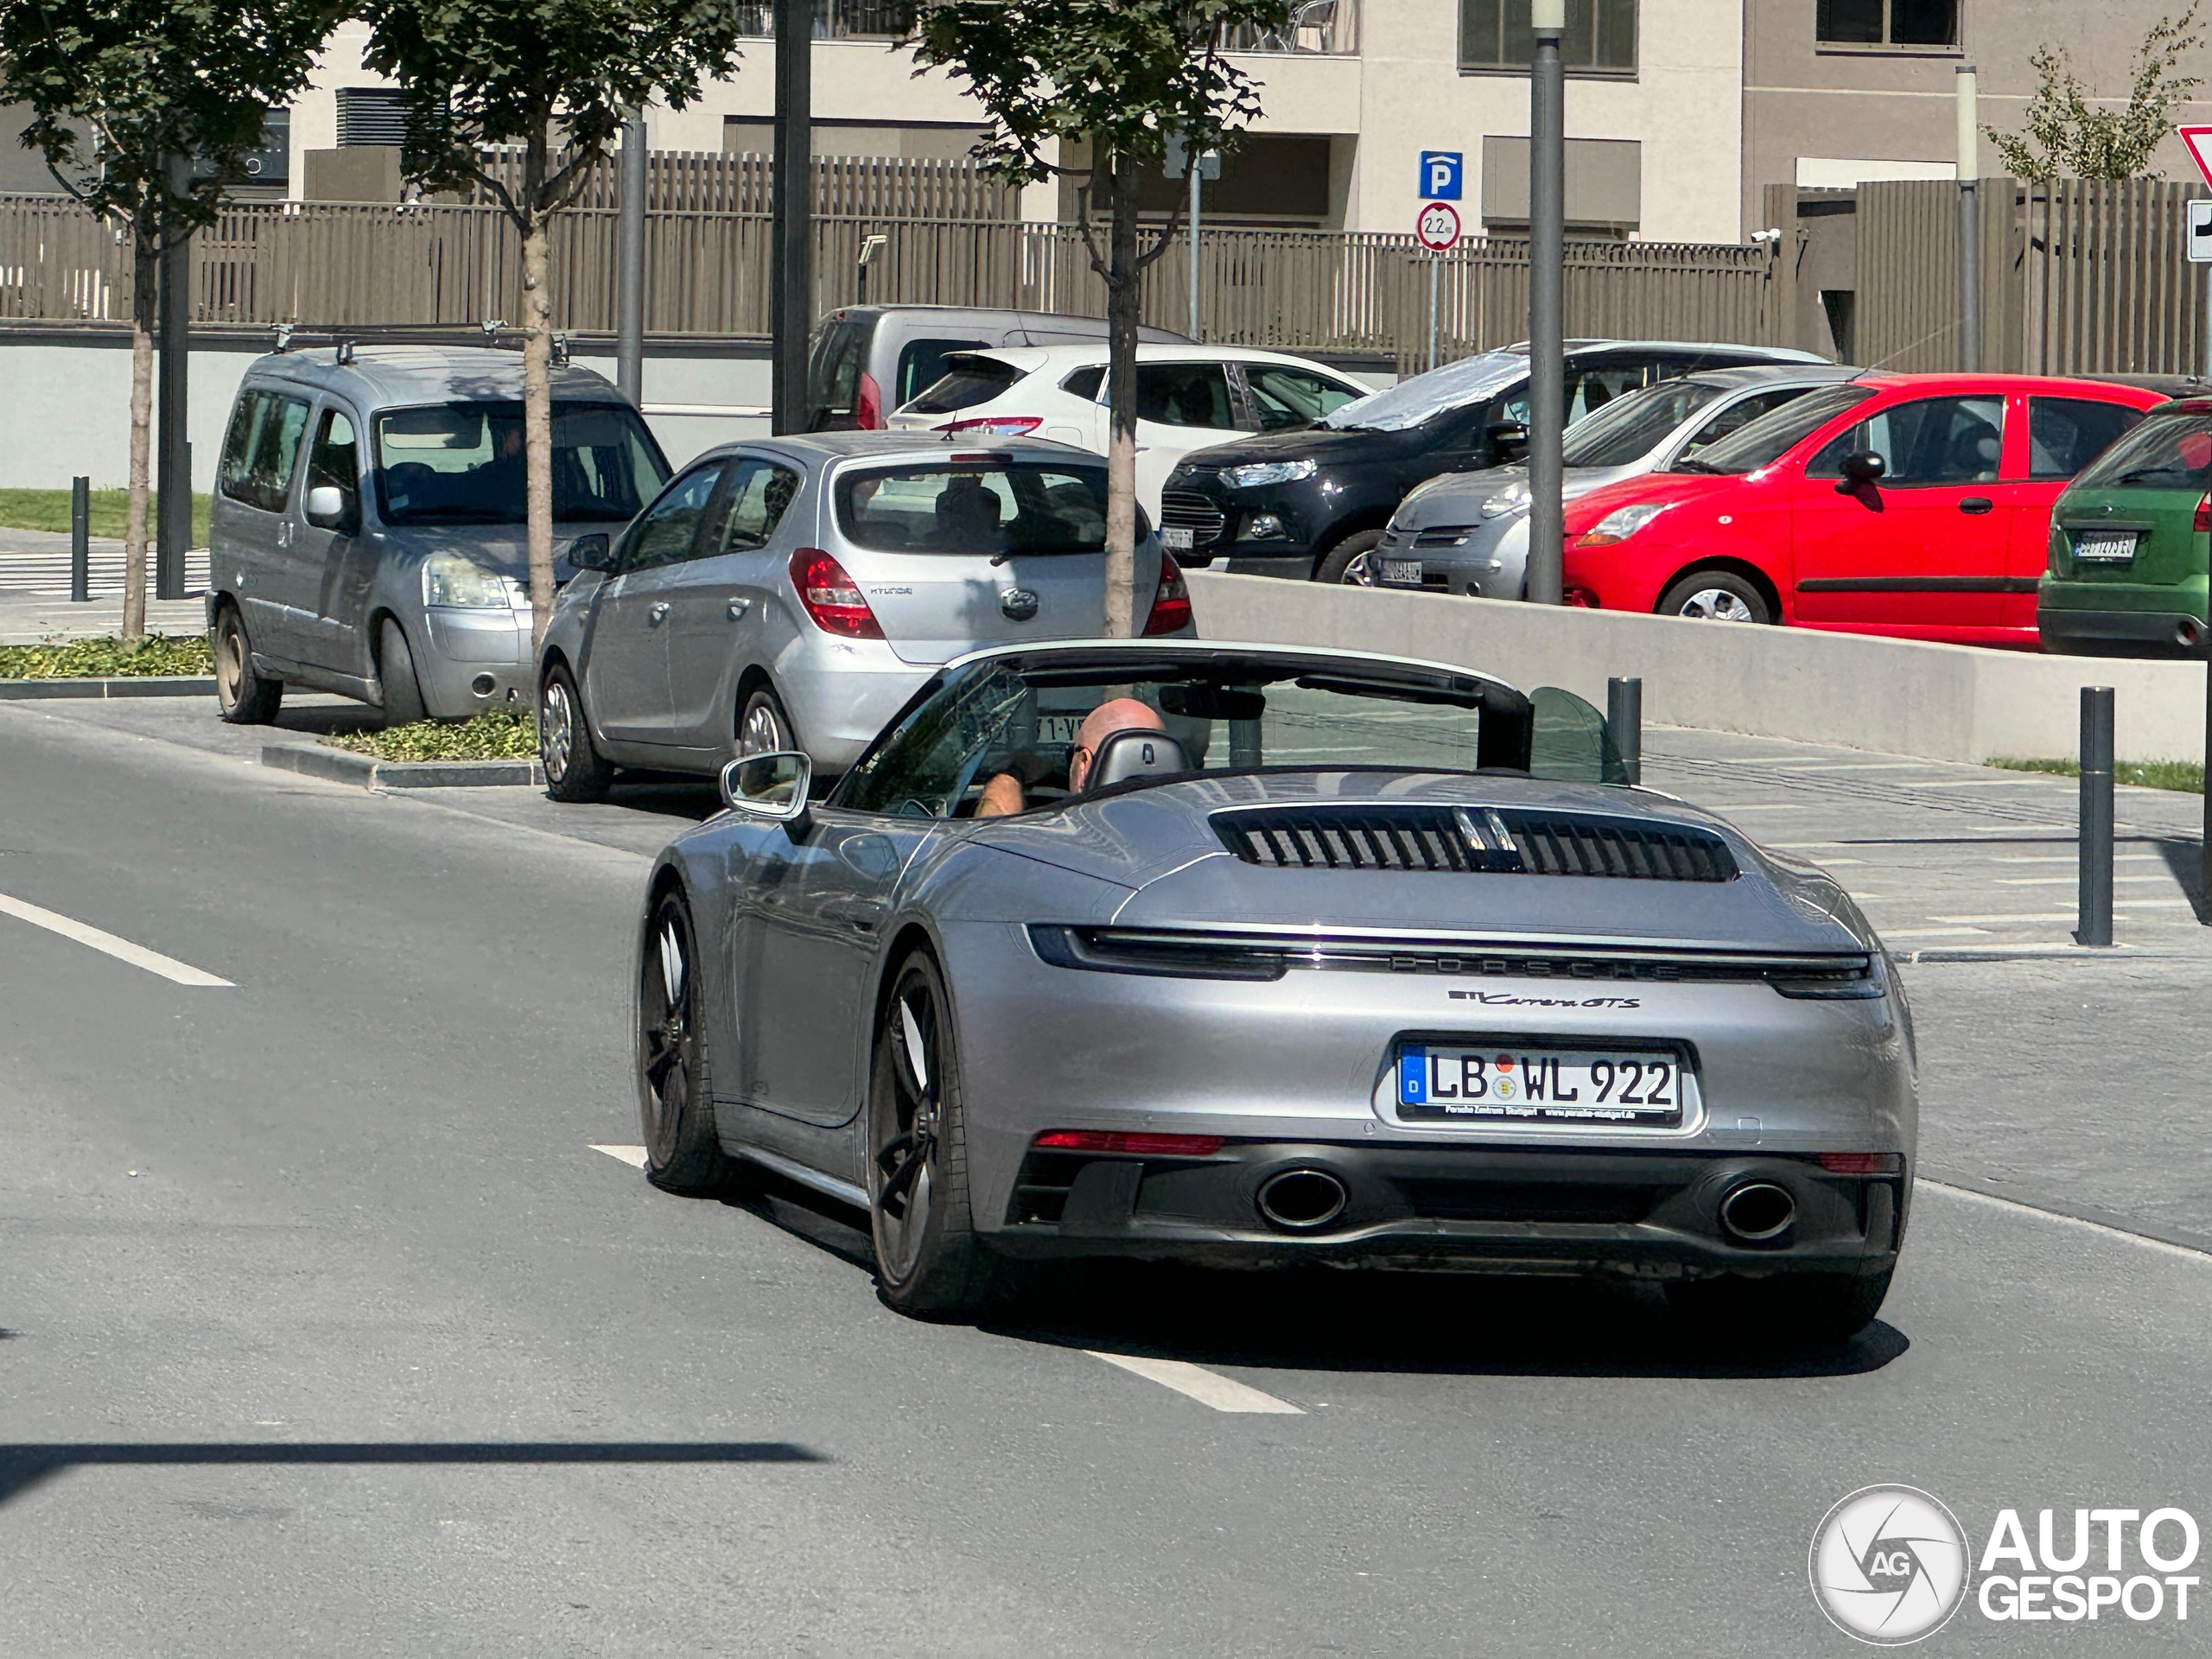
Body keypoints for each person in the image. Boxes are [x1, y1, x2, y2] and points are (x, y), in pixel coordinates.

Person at [976, 697, 1165, 817]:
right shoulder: (1191, 824)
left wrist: (1011, 775)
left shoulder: (1075, 837)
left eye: (1070, 756)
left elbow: (987, 841)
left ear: (1084, 764)